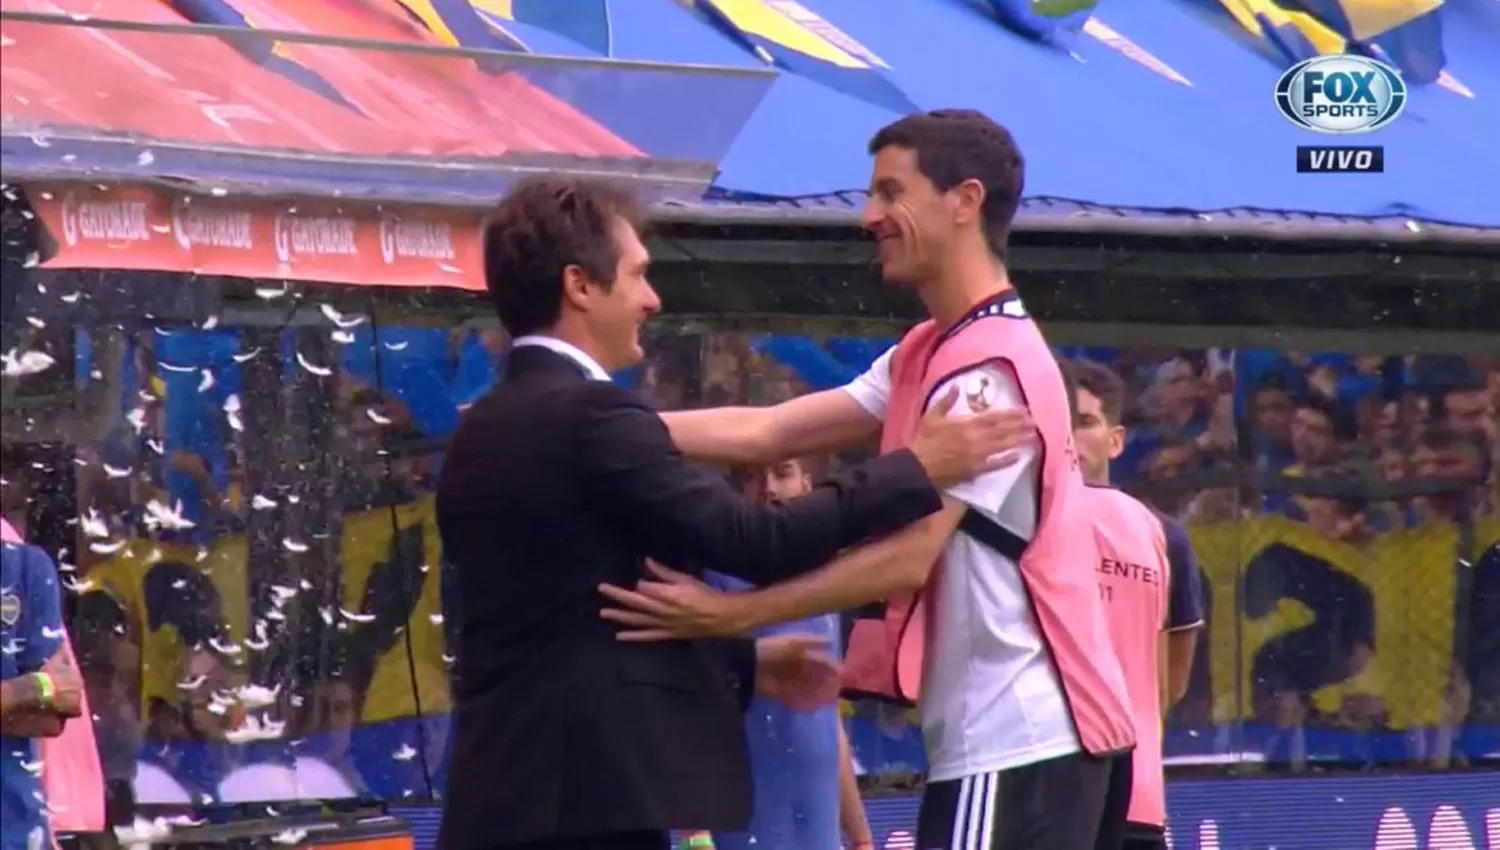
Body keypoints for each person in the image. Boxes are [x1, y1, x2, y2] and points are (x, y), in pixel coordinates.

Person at [435, 176, 1031, 850]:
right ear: (579, 286)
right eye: (638, 276)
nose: (652, 299)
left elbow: (569, 619)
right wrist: (919, 468)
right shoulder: (593, 416)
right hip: (589, 804)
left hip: (497, 796)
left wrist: (746, 661)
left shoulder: (483, 428)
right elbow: (755, 540)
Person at [600, 110, 1137, 850]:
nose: (869, 216)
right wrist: (593, 426)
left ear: (965, 200)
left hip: (1022, 739)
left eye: (891, 192)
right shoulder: (935, 347)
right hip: (1021, 742)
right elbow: (772, 431)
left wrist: (730, 616)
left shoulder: (989, 372)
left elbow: (907, 557)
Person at [693, 459, 875, 850]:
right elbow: (690, 707)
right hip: (745, 830)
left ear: (807, 484)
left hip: (820, 833)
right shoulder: (712, 584)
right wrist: (695, 832)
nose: (770, 488)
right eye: (754, 477)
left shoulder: (827, 585)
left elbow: (828, 721)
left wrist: (860, 837)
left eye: (783, 473)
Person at [1064, 359, 1206, 850]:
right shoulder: (1017, 527)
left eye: (1084, 422)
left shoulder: (1166, 536)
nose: (1069, 437)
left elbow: (1170, 682)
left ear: (1116, 439)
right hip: (1042, 795)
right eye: (1056, 422)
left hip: (1136, 799)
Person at [2, 517, 85, 850]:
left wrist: (42, 692)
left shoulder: (26, 567)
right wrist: (33, 688)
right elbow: (48, 690)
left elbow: (57, 711)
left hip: (16, 831)